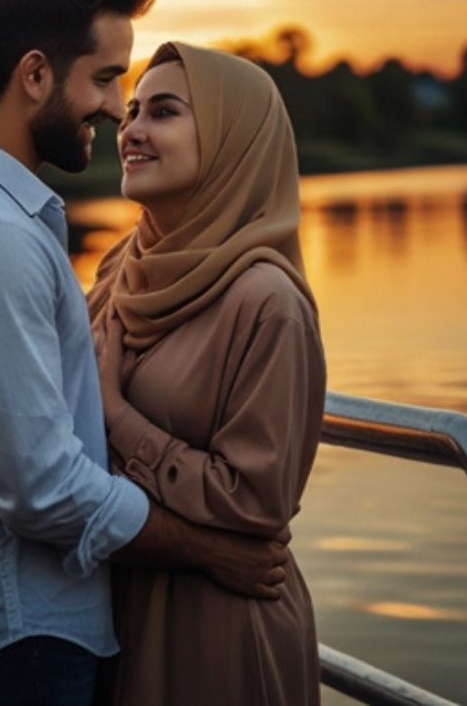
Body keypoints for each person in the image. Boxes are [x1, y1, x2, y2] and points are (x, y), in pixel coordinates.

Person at [0, 0, 287, 706]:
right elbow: (40, 489)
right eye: (104, 78)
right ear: (34, 74)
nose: (114, 104)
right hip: (18, 650)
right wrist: (207, 550)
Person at [88, 41, 327, 706]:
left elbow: (256, 503)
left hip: (221, 631)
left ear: (234, 143)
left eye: (163, 112)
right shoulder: (120, 270)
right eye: (132, 110)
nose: (130, 130)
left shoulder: (266, 304)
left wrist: (119, 418)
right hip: (118, 615)